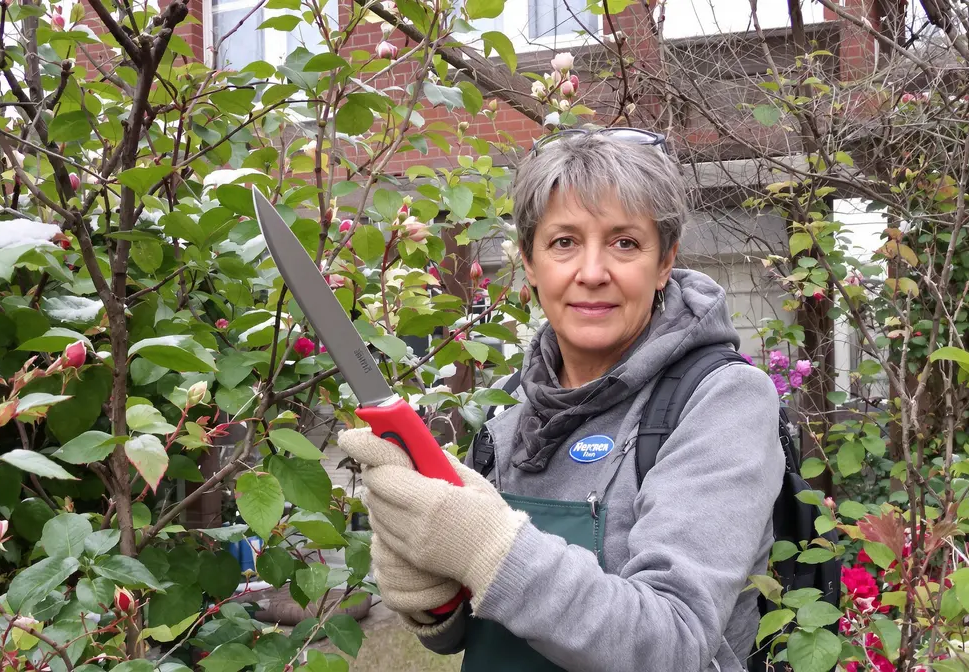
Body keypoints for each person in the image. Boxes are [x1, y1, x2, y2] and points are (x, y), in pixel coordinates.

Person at [337, 128, 786, 672]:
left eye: (625, 243)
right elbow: (467, 635)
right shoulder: (507, 416)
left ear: (665, 262)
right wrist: (430, 594)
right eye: (564, 242)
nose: (592, 273)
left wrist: (485, 545)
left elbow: (673, 642)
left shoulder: (720, 401)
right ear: (530, 262)